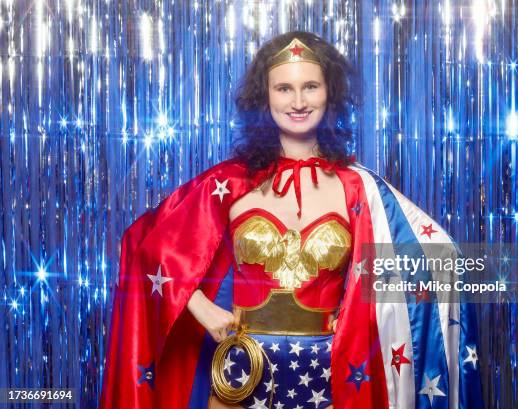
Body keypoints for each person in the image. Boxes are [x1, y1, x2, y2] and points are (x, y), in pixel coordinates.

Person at [100, 31, 484, 409]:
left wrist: (358, 321)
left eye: (310, 87)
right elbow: (143, 246)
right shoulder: (229, 183)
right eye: (284, 88)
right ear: (263, 97)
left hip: (326, 377)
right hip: (240, 372)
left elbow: (433, 258)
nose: (298, 101)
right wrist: (200, 306)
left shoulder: (360, 189)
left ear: (329, 93)